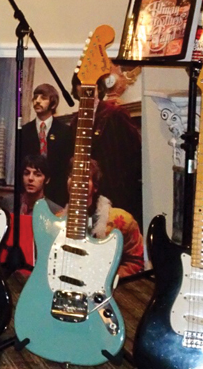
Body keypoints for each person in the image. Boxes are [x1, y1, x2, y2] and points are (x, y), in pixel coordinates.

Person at [70, 74, 143, 227]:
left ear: (99, 88)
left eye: (92, 83)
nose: (86, 87)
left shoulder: (115, 114)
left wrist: (123, 184)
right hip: (85, 196)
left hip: (115, 194)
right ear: (76, 90)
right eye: (80, 83)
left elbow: (135, 152)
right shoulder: (75, 122)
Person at [66, 157, 145, 279]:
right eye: (72, 176)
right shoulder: (57, 221)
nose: (77, 181)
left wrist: (107, 279)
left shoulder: (123, 221)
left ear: (95, 186)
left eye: (84, 177)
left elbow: (136, 261)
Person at [19, 84, 72, 207]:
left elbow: (67, 166)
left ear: (53, 103)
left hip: (57, 196)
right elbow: (20, 166)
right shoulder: (24, 131)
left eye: (43, 98)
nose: (37, 101)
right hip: (30, 197)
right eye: (35, 97)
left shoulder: (65, 131)